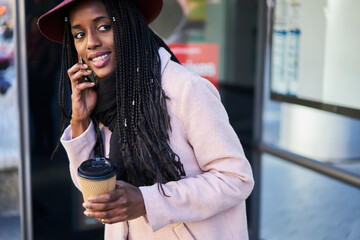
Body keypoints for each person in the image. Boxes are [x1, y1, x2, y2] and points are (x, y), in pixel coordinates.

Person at [37, 0, 254, 239]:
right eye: (79, 34)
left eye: (104, 27)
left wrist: (146, 201)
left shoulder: (186, 89)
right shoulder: (103, 98)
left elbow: (236, 178)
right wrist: (80, 120)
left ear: (130, 24)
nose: (91, 43)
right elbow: (92, 191)